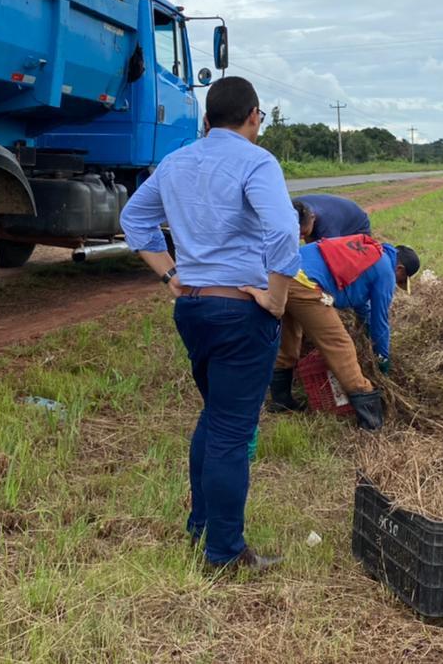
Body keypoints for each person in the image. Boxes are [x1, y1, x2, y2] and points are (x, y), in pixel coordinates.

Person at [122, 76, 299, 573]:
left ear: (206, 119)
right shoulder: (256, 161)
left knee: (214, 417)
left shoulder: (176, 162)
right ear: (253, 115)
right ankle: (223, 552)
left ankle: (201, 527)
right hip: (242, 311)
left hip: (193, 308)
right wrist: (278, 298)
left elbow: (134, 218)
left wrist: (170, 275)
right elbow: (285, 228)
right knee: (230, 429)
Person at [269, 236, 419, 425]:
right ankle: (371, 419)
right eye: (401, 280)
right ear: (400, 270)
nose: (396, 282)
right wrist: (383, 360)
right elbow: (380, 321)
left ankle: (281, 402)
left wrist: (364, 329)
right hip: (306, 284)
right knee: (340, 345)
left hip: (280, 274)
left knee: (289, 339)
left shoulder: (369, 252)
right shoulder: (386, 272)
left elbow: (362, 305)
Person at [294, 194, 372, 242]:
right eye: (297, 233)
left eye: (303, 234)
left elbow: (331, 252)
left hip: (356, 227)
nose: (300, 238)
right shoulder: (289, 209)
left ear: (313, 218)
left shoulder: (327, 226)